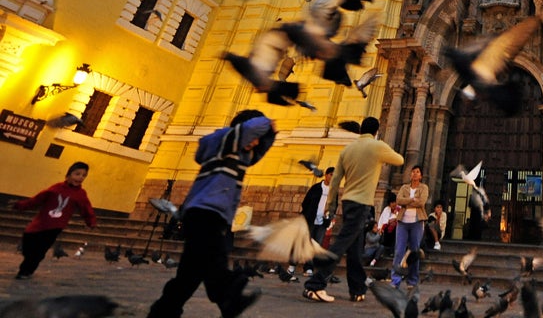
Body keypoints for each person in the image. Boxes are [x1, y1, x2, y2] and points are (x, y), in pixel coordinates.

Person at [148, 110, 274, 318]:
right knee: (216, 261)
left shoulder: (237, 154)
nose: (255, 143)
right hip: (205, 213)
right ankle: (228, 297)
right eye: (254, 138)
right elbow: (252, 128)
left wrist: (269, 136)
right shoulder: (226, 142)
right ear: (241, 132)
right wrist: (268, 122)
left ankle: (163, 312)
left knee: (189, 274)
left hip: (210, 215)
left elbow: (257, 155)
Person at [302, 117, 403, 303]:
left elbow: (334, 183)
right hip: (362, 203)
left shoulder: (347, 150)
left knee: (356, 248)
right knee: (341, 243)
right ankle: (315, 284)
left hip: (348, 201)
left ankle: (357, 289)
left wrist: (331, 206)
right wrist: (380, 147)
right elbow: (399, 159)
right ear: (376, 131)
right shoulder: (376, 146)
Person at [13, 161, 97, 279]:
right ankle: (30, 261)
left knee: (40, 249)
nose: (80, 178)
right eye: (77, 174)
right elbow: (37, 199)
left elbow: (86, 208)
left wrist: (91, 221)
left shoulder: (81, 194)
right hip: (40, 222)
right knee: (28, 241)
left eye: (84, 175)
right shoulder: (56, 188)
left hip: (55, 226)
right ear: (69, 175)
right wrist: (20, 205)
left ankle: (25, 271)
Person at [390, 165, 429, 288]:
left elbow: (422, 202)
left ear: (421, 175)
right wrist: (412, 200)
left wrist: (407, 201)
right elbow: (399, 200)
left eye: (417, 172)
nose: (415, 174)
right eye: (413, 172)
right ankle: (395, 279)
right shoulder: (404, 187)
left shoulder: (424, 187)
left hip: (417, 222)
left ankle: (412, 280)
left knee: (414, 251)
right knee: (399, 250)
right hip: (403, 221)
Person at [301, 167, 334, 245]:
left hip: (323, 223)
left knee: (317, 244)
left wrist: (328, 217)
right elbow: (305, 202)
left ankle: (314, 257)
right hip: (311, 220)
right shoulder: (316, 187)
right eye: (331, 174)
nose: (332, 177)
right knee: (307, 243)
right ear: (326, 175)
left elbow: (334, 207)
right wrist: (308, 214)